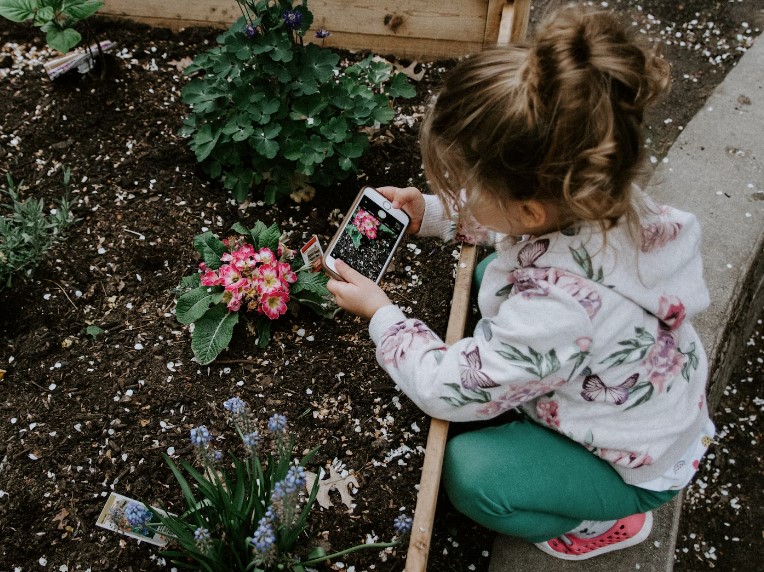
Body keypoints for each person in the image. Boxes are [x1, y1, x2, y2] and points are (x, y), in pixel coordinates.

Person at [326, 4, 714, 561]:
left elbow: (447, 390)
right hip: (643, 400)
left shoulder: (555, 312)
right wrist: (433, 214)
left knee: (470, 474)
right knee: (490, 273)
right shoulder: (604, 196)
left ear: (530, 209)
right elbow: (517, 226)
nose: (457, 189)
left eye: (464, 183)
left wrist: (382, 315)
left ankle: (599, 522)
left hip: (630, 463)